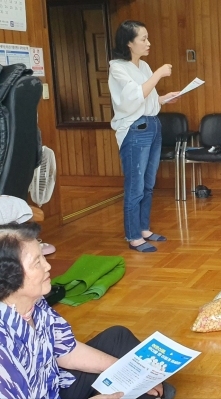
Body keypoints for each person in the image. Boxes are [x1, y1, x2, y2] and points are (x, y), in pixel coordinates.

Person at [0, 222, 176, 399]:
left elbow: (67, 351)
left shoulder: (35, 303)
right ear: (9, 276)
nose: (48, 266)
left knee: (117, 337)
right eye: (37, 262)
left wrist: (131, 372)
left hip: (51, 386)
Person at [108, 20, 179, 253]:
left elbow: (150, 100)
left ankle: (144, 228)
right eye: (143, 39)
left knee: (149, 184)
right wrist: (159, 73)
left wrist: (165, 98)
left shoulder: (145, 67)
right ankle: (133, 235)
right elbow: (134, 98)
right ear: (129, 43)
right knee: (135, 185)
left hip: (153, 124)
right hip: (135, 130)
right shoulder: (117, 67)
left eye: (148, 38)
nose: (148, 43)